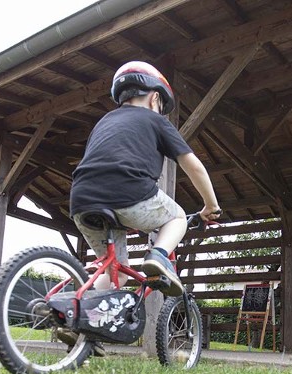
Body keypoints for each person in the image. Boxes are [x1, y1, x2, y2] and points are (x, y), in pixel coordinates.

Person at [69, 60, 222, 297]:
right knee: (178, 217)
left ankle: (70, 309)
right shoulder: (156, 120)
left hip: (81, 198)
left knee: (115, 273)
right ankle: (159, 256)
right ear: (154, 98)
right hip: (129, 190)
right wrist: (211, 205)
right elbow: (194, 167)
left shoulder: (104, 122)